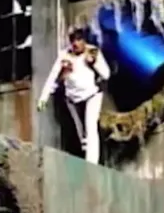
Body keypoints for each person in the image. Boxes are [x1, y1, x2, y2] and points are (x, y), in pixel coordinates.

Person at [37, 28, 112, 164]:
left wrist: (94, 63)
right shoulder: (64, 55)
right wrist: (43, 98)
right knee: (81, 134)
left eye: (79, 40)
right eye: (73, 40)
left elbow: (106, 74)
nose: (76, 44)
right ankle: (85, 152)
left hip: (92, 95)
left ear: (84, 40)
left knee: (91, 128)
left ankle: (91, 164)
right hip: (73, 99)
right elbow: (52, 77)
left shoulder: (92, 51)